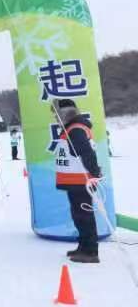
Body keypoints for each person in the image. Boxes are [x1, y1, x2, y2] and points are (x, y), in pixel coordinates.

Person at [54, 99, 102, 263]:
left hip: (81, 181)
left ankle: (91, 251)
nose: (55, 117)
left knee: (84, 216)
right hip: (75, 182)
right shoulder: (72, 128)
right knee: (79, 216)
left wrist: (94, 173)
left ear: (64, 114)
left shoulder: (75, 129)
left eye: (57, 114)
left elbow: (86, 153)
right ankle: (83, 245)